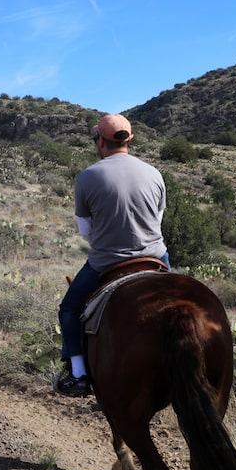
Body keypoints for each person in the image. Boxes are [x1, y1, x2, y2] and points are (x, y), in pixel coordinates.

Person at [57, 114, 171, 397]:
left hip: (107, 261)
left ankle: (79, 375)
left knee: (69, 310)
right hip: (156, 257)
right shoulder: (154, 173)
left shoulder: (87, 176)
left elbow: (86, 231)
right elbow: (157, 221)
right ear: (129, 140)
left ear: (101, 141)